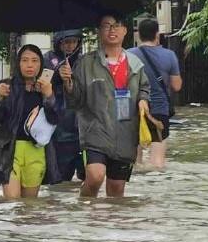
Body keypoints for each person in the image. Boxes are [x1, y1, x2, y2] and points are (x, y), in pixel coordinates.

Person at [60, 13, 150, 198]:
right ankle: (84, 207)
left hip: (126, 133)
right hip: (95, 132)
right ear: (99, 31)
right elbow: (75, 101)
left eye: (117, 25)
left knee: (117, 190)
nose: (112, 30)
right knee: (95, 176)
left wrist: (143, 101)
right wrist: (68, 83)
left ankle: (109, 225)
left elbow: (144, 88)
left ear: (125, 31)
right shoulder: (85, 64)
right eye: (106, 26)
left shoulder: (136, 64)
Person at [0, 44, 62, 199]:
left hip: (36, 151)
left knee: (29, 207)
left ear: (41, 64)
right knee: (12, 201)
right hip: (10, 151)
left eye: (35, 60)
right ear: (18, 63)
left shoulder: (45, 87)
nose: (30, 65)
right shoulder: (5, 85)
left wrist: (49, 96)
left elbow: (56, 119)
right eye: (25, 60)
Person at [128, 17, 182, 170]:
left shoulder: (128, 55)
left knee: (133, 162)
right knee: (157, 162)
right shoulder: (169, 55)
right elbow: (177, 86)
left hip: (134, 110)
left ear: (138, 35)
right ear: (157, 34)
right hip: (159, 111)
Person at [43, 29, 85, 182]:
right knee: (60, 178)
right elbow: (42, 84)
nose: (70, 46)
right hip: (58, 127)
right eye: (66, 42)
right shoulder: (48, 59)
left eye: (74, 42)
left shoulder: (82, 61)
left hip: (81, 127)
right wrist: (57, 76)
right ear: (58, 42)